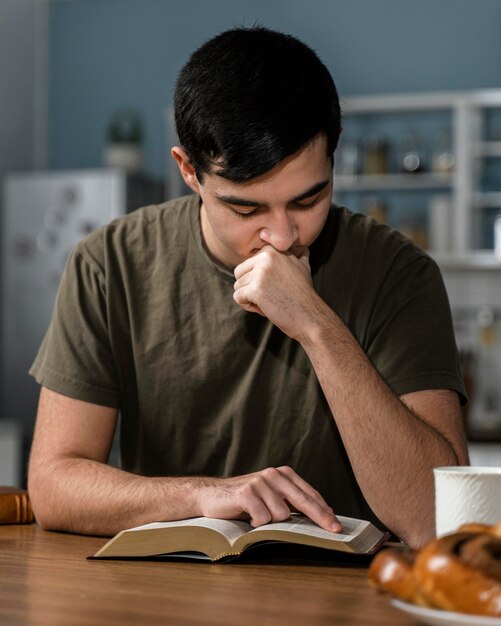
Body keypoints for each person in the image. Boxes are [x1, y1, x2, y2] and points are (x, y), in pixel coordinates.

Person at [27, 26, 468, 548]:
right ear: (188, 171)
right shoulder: (108, 264)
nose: (282, 236)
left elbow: (437, 520)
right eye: (246, 208)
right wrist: (200, 497)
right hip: (156, 594)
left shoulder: (400, 274)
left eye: (309, 200)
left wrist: (314, 323)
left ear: (334, 160)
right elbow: (54, 486)